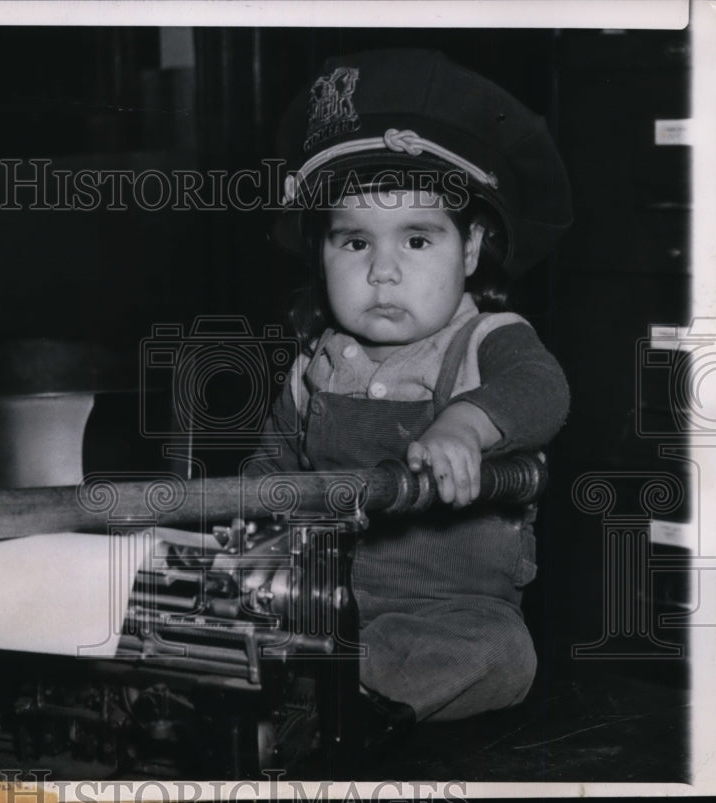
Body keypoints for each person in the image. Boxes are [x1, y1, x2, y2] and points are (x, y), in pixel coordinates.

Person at [245, 49, 573, 732]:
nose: (384, 273)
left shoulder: (485, 340)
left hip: (451, 610)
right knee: (236, 617)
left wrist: (467, 425)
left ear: (473, 248)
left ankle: (359, 703)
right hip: (329, 601)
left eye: (418, 240)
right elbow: (271, 460)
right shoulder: (319, 364)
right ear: (319, 250)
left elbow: (543, 389)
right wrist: (260, 528)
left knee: (502, 652)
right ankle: (311, 689)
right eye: (354, 243)